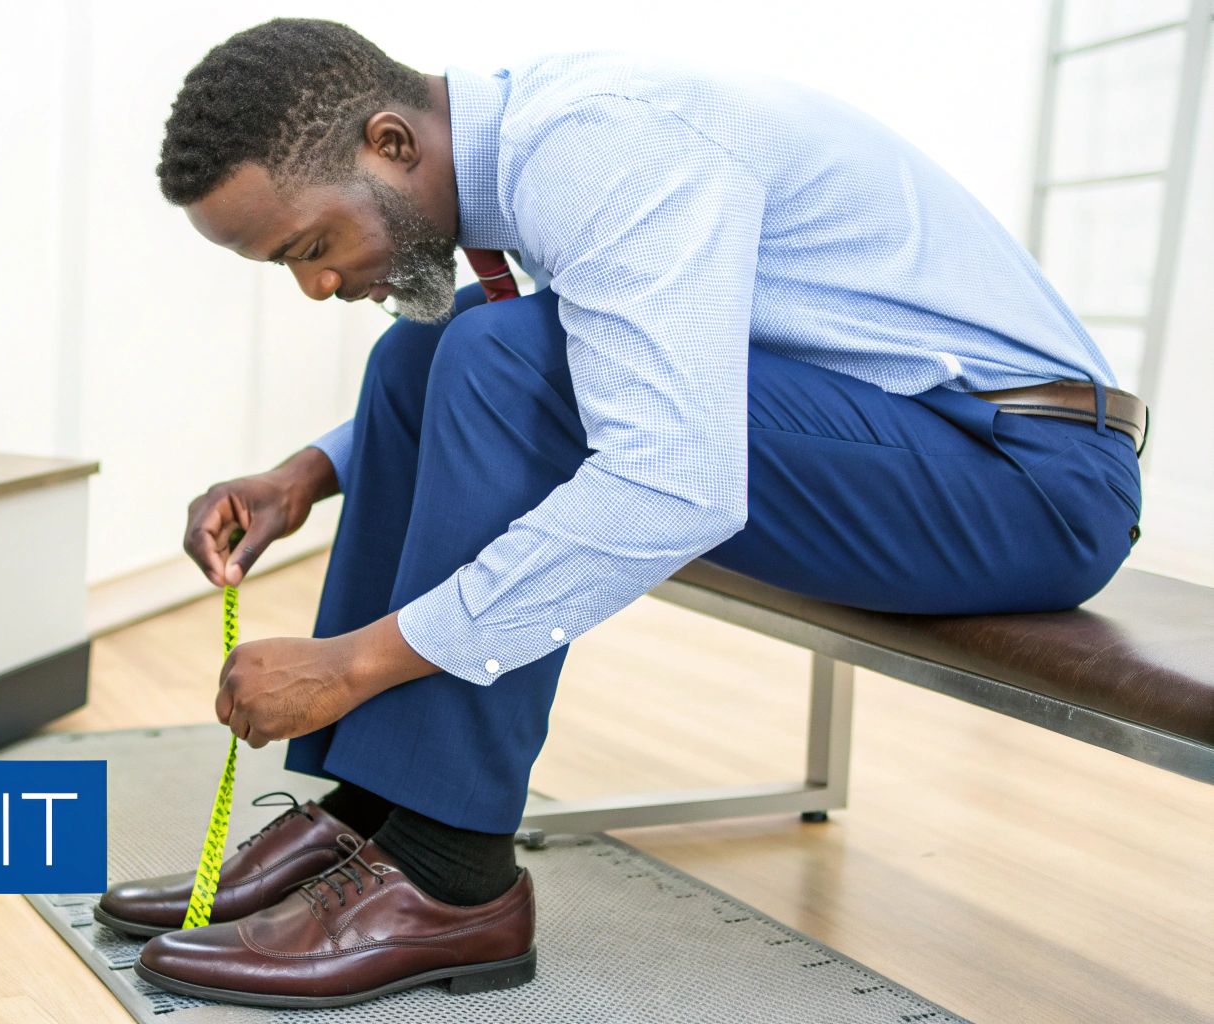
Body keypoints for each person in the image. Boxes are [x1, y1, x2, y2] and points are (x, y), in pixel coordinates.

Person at [100, 17, 1145, 1009]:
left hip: (1026, 483)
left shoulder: (606, 149)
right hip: (920, 447)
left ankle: (444, 873)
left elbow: (669, 481)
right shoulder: (547, 146)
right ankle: (372, 812)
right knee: (422, 346)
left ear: (388, 143)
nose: (316, 284)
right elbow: (604, 344)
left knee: (499, 356)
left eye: (304, 245)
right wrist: (309, 471)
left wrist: (355, 663)